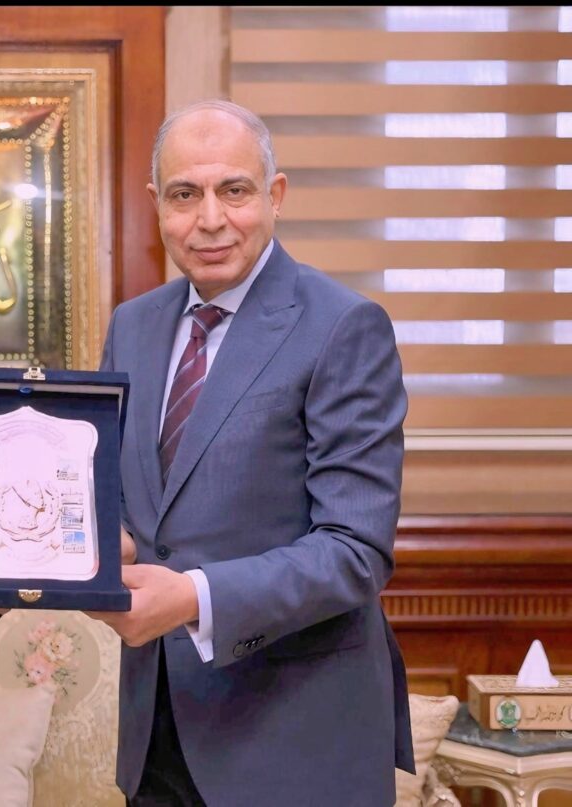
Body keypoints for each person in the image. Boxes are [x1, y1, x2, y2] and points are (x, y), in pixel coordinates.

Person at [90, 100, 415, 806]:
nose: (209, 219)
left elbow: (355, 549)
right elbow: (129, 506)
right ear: (156, 204)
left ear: (275, 195)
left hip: (295, 742)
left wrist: (192, 596)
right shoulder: (132, 326)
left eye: (233, 190)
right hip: (158, 735)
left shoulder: (344, 326)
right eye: (184, 194)